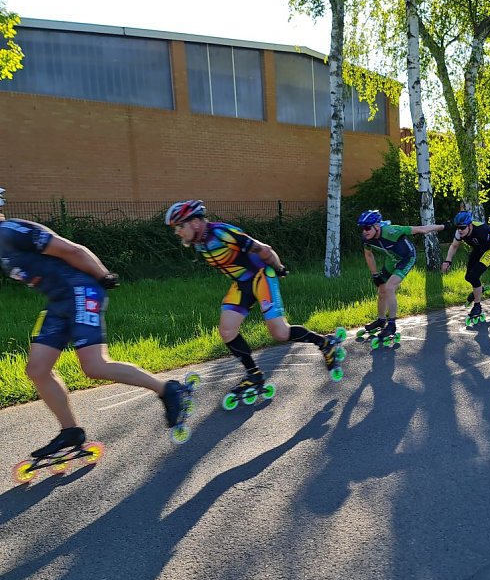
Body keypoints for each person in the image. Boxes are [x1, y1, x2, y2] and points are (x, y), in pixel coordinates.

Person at [0, 188, 190, 459]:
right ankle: (70, 431)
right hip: (58, 302)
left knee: (94, 365)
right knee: (37, 369)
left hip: (80, 291)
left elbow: (70, 249)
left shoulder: (10, 231)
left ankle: (169, 390)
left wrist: (102, 276)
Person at [165, 200, 345, 392]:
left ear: (194, 222)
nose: (178, 232)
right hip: (242, 284)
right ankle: (254, 375)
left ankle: (326, 343)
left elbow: (264, 249)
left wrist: (278, 268)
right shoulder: (199, 242)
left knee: (280, 333)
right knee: (227, 331)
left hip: (261, 277)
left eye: (180, 226)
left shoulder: (221, 233)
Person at [358, 209, 446, 340]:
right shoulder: (366, 238)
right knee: (381, 290)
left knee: (389, 288)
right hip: (392, 259)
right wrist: (375, 274)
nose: (364, 231)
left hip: (407, 257)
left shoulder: (393, 231)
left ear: (377, 226)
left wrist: (444, 226)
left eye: (367, 228)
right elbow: (368, 255)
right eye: (362, 228)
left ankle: (392, 324)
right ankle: (381, 320)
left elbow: (421, 229)